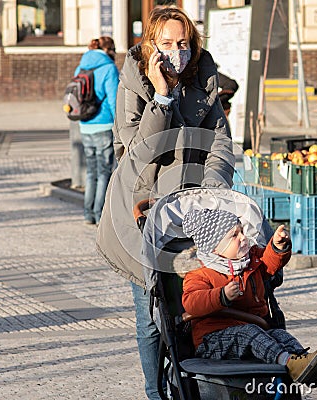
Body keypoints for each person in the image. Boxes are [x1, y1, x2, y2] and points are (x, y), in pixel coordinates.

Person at [96, 6, 235, 400]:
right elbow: (140, 152)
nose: (177, 51)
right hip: (142, 212)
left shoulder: (204, 80)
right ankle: (155, 392)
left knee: (192, 305)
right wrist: (160, 95)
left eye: (184, 43)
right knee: (151, 314)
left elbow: (220, 143)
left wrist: (210, 188)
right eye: (168, 43)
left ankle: (191, 388)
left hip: (192, 211)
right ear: (152, 47)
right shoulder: (134, 82)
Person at [182, 208, 317, 386]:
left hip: (253, 329)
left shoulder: (251, 258)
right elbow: (192, 303)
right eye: (234, 235)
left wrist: (277, 247)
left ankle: (307, 364)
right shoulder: (201, 274)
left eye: (242, 231)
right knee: (251, 333)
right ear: (214, 247)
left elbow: (269, 263)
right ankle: (290, 362)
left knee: (279, 334)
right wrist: (221, 295)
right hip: (213, 340)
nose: (243, 237)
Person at [75, 36, 119, 225]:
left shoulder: (81, 67)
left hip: (84, 125)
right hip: (103, 125)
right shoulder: (109, 68)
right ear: (110, 50)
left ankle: (88, 214)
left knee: (91, 171)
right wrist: (120, 123)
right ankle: (99, 214)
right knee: (104, 172)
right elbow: (113, 100)